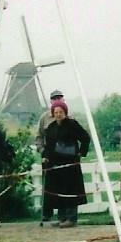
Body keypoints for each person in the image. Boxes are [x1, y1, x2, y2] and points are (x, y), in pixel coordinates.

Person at [41, 100, 90, 228]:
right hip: (56, 165)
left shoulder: (72, 124)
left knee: (70, 190)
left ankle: (71, 218)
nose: (58, 114)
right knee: (58, 190)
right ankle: (61, 217)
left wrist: (81, 152)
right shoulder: (50, 128)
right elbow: (48, 146)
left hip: (70, 164)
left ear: (65, 112)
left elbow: (85, 138)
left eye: (61, 112)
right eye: (56, 112)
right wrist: (45, 157)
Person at [35, 89, 64, 223]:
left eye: (59, 98)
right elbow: (39, 136)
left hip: (63, 156)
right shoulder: (44, 118)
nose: (57, 100)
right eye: (54, 98)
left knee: (62, 184)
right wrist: (41, 150)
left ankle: (62, 213)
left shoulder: (68, 116)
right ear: (51, 101)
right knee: (48, 185)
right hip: (48, 156)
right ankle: (47, 213)